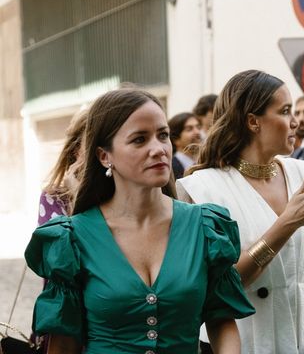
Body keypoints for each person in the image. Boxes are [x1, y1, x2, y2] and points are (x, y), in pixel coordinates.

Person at [24, 88, 254, 354]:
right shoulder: (73, 240)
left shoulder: (205, 227)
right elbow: (64, 346)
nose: (158, 149)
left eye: (163, 135)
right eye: (139, 140)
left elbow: (222, 321)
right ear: (104, 156)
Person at [177, 70, 304, 354]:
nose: (295, 122)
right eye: (284, 112)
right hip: (244, 342)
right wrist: (286, 224)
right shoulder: (203, 189)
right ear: (253, 121)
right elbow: (219, 288)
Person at [38, 109, 88, 224]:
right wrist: (78, 196)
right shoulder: (54, 198)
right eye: (92, 143)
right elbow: (62, 242)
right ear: (77, 151)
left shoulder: (119, 194)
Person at [168, 111, 202, 179]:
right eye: (189, 129)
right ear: (176, 139)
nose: (197, 132)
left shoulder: (204, 163)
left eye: (198, 127)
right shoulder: (170, 169)